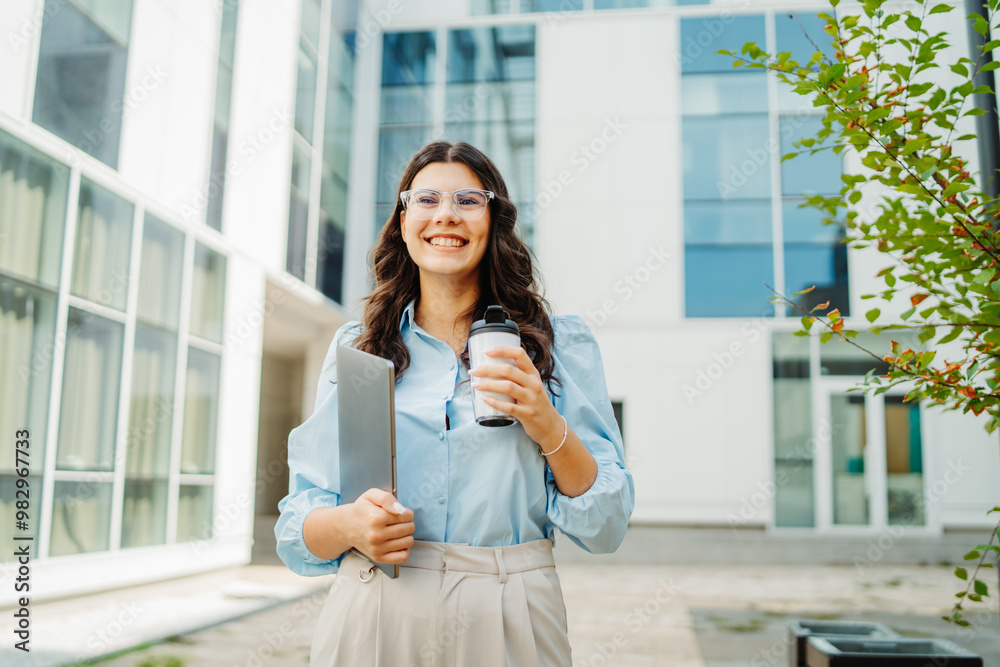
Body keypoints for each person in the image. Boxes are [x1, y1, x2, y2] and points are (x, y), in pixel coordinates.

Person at [275, 141, 634, 666]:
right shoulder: (358, 347)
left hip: (510, 611)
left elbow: (606, 525)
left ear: (494, 221)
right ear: (403, 221)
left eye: (468, 200)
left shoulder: (558, 345)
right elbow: (297, 524)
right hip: (375, 604)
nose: (446, 214)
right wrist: (351, 525)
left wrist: (546, 421)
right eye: (426, 200)